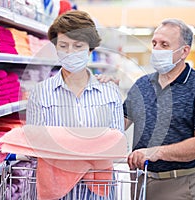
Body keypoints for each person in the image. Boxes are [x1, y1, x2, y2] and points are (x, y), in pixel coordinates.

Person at [99, 18, 195, 200]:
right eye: (154, 43)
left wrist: (156, 152)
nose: (156, 50)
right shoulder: (142, 85)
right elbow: (116, 125)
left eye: (165, 45)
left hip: (177, 182)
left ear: (184, 51)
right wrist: (105, 94)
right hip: (140, 179)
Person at [26, 10, 124, 199]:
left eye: (78, 46)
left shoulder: (109, 92)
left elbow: (116, 145)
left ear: (90, 49)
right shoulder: (41, 93)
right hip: (56, 192)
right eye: (63, 45)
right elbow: (35, 147)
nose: (70, 52)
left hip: (97, 192)